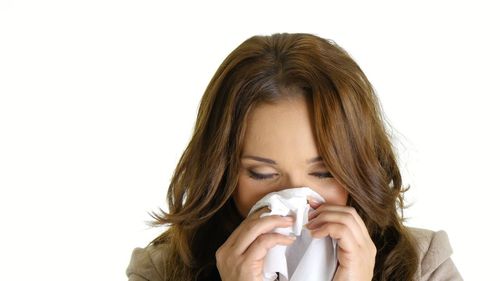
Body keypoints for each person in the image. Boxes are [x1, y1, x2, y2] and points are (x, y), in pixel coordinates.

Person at [126, 33, 463, 281]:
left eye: (325, 172)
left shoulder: (425, 265)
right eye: (261, 174)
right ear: (222, 173)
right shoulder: (160, 270)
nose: (296, 199)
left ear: (358, 166)